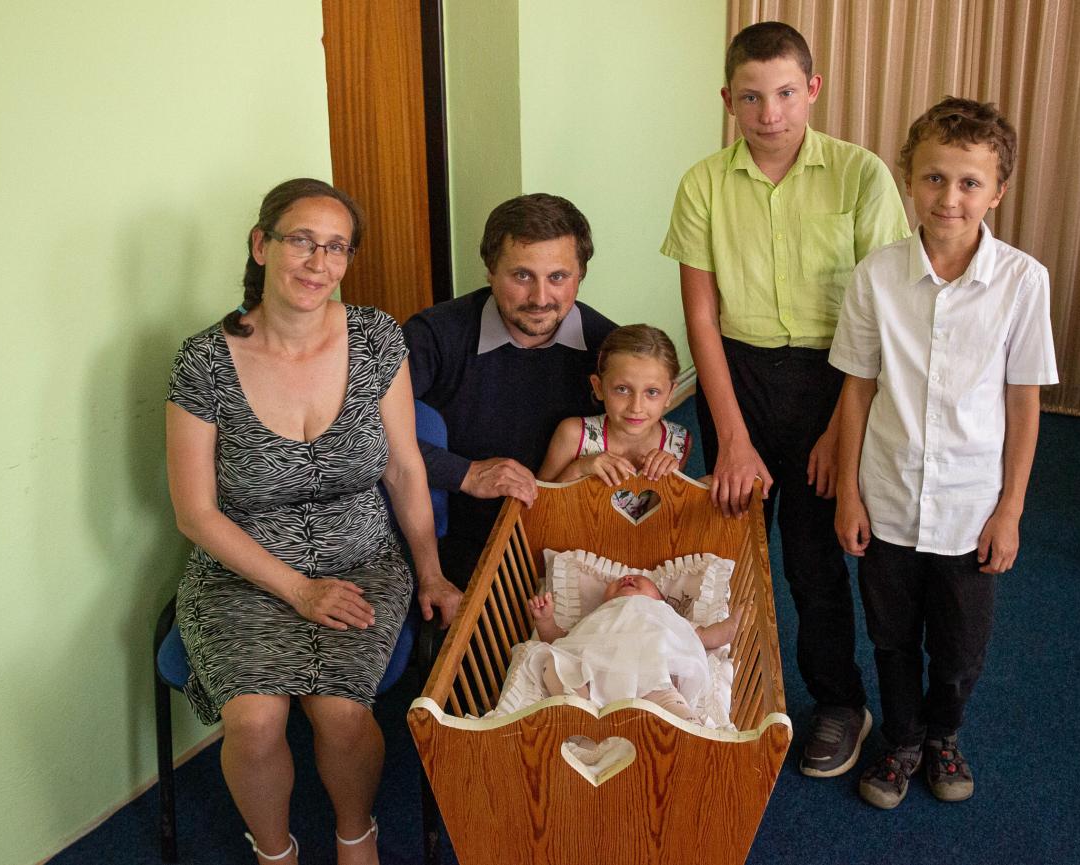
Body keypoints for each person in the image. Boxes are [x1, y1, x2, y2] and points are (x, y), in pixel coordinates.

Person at [165, 178, 461, 865]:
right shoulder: (204, 361)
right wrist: (298, 589)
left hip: (360, 559)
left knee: (341, 713)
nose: (318, 262)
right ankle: (275, 852)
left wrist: (430, 570)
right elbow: (195, 513)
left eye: (336, 247)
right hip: (243, 570)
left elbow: (404, 468)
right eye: (301, 240)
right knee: (255, 720)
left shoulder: (375, 337)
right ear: (261, 245)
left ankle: (356, 833)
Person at [660, 21, 910, 777]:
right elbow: (701, 317)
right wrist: (732, 438)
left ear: (813, 89)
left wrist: (840, 432)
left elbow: (880, 317)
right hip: (736, 377)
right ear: (727, 99)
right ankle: (723, 691)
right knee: (729, 549)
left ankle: (839, 701)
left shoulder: (861, 175)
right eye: (751, 97)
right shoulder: (703, 183)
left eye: (785, 93)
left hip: (836, 378)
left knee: (811, 554)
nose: (769, 113)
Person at [830, 97, 1058, 808]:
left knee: (959, 648)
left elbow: (1023, 404)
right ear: (908, 178)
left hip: (970, 508)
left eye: (969, 182)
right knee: (891, 637)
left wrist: (1010, 511)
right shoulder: (875, 275)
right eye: (933, 178)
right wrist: (848, 492)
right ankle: (901, 738)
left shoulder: (1023, 282)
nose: (949, 197)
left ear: (998, 191)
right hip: (888, 497)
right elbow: (858, 389)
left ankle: (943, 734)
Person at [404, 194, 616, 586]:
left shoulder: (611, 349)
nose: (540, 298)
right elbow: (366, 430)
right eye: (521, 276)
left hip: (577, 537)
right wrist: (465, 473)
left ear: (580, 275)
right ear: (490, 270)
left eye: (558, 277)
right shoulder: (434, 335)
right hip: (463, 539)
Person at [527, 575, 741, 722]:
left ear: (660, 599)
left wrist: (732, 624)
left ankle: (689, 729)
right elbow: (563, 642)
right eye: (619, 582)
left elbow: (706, 636)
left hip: (652, 678)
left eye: (639, 579)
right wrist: (546, 621)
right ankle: (580, 712)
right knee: (553, 663)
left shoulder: (665, 615)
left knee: (668, 702)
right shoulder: (597, 616)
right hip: (593, 679)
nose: (627, 578)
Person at [536, 324, 692, 513]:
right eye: (622, 389)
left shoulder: (679, 442)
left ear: (670, 394)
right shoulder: (573, 434)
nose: (636, 407)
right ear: (599, 387)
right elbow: (537, 508)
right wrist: (579, 468)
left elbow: (662, 514)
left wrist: (670, 481)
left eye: (652, 392)